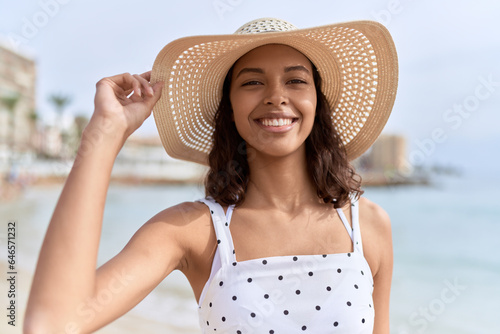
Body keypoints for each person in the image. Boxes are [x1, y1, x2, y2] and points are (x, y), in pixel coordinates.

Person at [24, 18, 398, 333]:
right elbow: (52, 323)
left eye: (296, 80)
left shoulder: (367, 226)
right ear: (229, 108)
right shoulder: (193, 230)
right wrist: (105, 133)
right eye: (252, 82)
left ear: (317, 99)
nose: (275, 96)